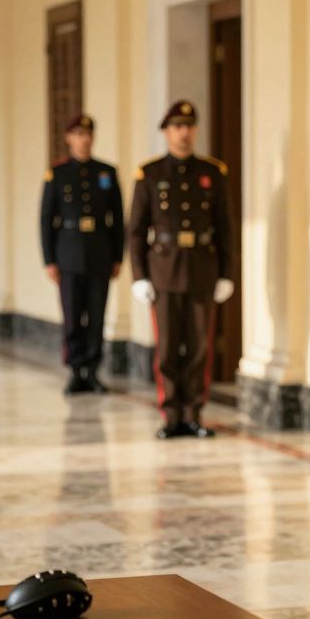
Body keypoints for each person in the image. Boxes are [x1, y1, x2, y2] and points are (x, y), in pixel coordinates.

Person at [128, 101, 236, 439]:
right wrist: (139, 275)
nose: (184, 132)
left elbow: (225, 229)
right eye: (177, 127)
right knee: (168, 349)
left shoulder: (212, 173)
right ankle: (171, 414)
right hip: (163, 271)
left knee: (199, 348)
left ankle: (194, 414)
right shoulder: (150, 174)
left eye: (189, 126)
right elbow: (135, 230)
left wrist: (227, 274)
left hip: (202, 270)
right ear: (166, 132)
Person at [40, 114, 125, 395]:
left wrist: (117, 256)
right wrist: (49, 260)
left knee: (97, 315)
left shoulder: (106, 173)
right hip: (69, 253)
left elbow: (117, 218)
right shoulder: (58, 174)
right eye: (77, 134)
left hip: (100, 251)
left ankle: (93, 370)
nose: (84, 139)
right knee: (73, 315)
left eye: (88, 134)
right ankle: (76, 371)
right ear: (68, 138)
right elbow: (46, 219)